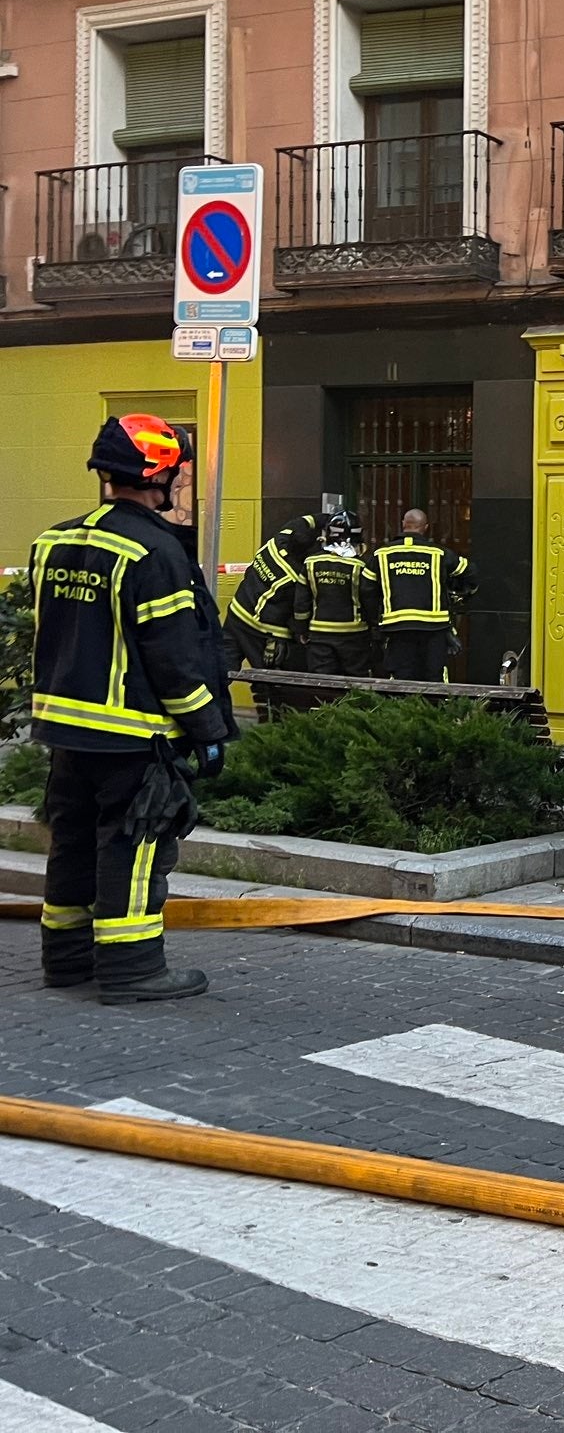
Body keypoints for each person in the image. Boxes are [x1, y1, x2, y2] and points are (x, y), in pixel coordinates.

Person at [30, 415, 236, 1005]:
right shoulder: (155, 551)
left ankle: (66, 959)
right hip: (133, 735)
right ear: (158, 476)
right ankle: (132, 967)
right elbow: (176, 658)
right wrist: (207, 730)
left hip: (65, 732)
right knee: (135, 843)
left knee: (72, 842)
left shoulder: (53, 541)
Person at [370, 509, 476, 682]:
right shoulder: (439, 553)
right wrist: (457, 594)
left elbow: (367, 589)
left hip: (398, 629)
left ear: (403, 524)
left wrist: (375, 621)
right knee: (433, 678)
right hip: (434, 629)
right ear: (425, 527)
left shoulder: (381, 554)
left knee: (402, 679)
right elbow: (470, 572)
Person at [221, 513, 318, 672]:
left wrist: (330, 519)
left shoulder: (278, 541)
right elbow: (295, 613)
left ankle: (212, 688)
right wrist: (296, 635)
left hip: (236, 613)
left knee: (223, 667)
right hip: (261, 630)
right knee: (268, 679)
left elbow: (303, 521)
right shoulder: (294, 578)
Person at [292, 510, 380, 677]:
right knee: (355, 683)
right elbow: (370, 600)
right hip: (354, 635)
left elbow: (301, 603)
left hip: (319, 635)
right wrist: (375, 627)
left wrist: (301, 630)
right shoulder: (362, 565)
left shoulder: (311, 562)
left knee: (322, 683)